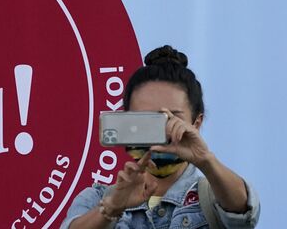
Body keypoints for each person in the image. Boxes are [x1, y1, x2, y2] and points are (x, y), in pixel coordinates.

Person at [60, 46, 260, 229]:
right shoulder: (97, 198)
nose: (159, 131)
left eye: (171, 118)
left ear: (196, 123)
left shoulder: (213, 196)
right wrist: (110, 209)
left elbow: (243, 213)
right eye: (145, 118)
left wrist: (205, 159)